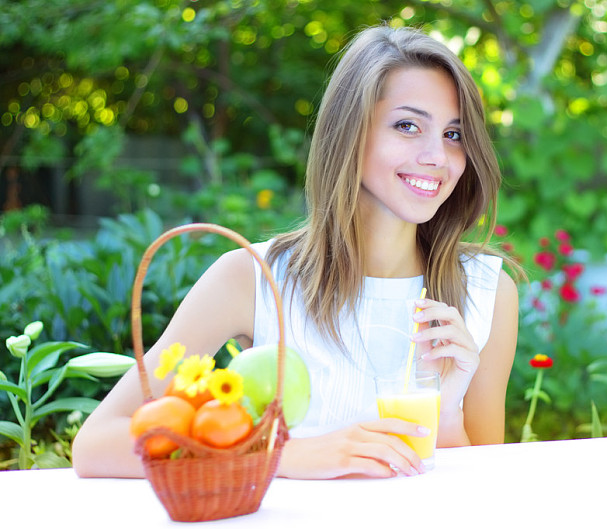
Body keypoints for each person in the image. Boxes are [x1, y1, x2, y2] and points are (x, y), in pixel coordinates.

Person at [72, 23, 520, 480]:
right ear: (350, 132)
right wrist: (284, 458)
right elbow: (98, 443)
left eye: (454, 134)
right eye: (408, 126)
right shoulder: (251, 278)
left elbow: (481, 484)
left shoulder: (488, 291)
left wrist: (445, 410)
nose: (437, 157)